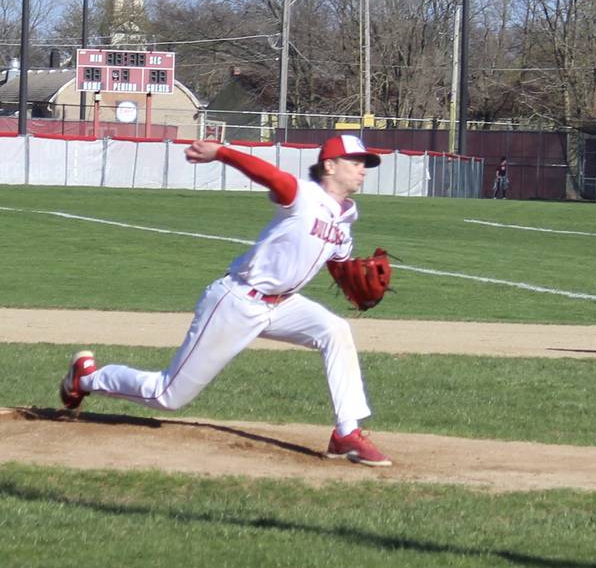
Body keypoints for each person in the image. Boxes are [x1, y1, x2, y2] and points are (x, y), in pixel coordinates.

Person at [58, 134, 395, 465]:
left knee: (334, 330)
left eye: (365, 163)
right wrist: (221, 152)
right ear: (330, 165)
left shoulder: (345, 220)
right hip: (238, 301)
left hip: (284, 305)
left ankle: (346, 433)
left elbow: (340, 267)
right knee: (167, 396)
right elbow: (268, 174)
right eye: (356, 162)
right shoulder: (304, 196)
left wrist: (359, 286)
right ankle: (86, 378)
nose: (363, 169)